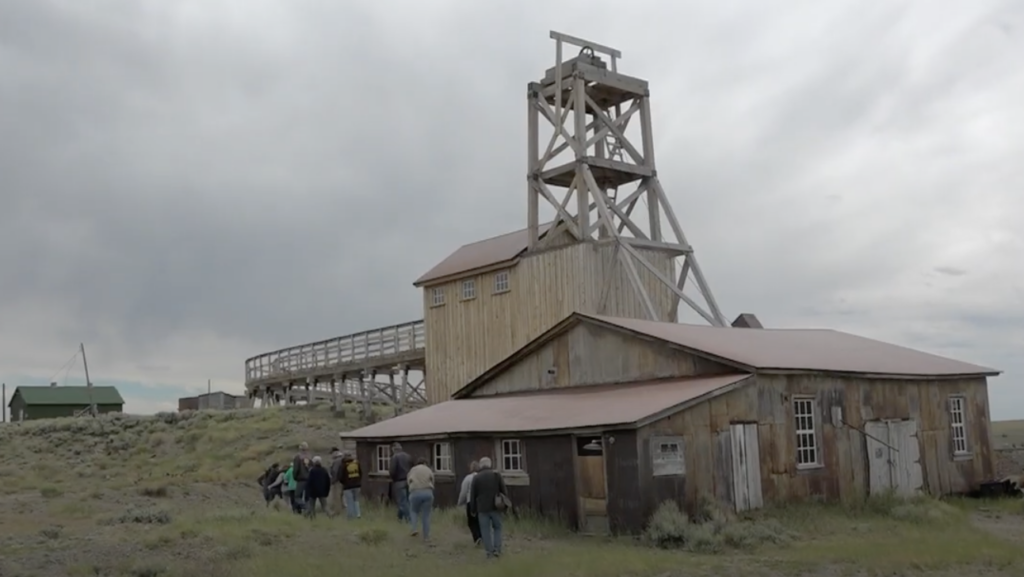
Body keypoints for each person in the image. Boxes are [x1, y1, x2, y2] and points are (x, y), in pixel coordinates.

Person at [470, 456, 509, 559]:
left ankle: (489, 552)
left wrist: (473, 509)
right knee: (497, 528)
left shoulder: (476, 477)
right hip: (496, 506)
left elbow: (473, 495)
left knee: (485, 530)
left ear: (481, 465)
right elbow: (504, 491)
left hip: (482, 508)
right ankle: (497, 549)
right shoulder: (496, 475)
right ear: (490, 464)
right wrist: (505, 505)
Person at [406, 457, 435, 540]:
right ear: (425, 463)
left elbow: (408, 480)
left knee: (414, 511)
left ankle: (414, 529)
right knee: (426, 515)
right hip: (427, 492)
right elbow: (432, 480)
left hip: (415, 492)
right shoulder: (428, 469)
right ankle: (426, 537)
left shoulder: (413, 470)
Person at [457, 460, 482, 545]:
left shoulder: (468, 478)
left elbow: (463, 492)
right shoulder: (481, 477)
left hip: (470, 502)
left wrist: (460, 502)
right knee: (481, 520)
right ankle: (482, 536)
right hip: (481, 502)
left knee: (471, 522)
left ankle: (477, 537)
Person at [388, 442, 412, 522]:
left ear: (393, 449)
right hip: (408, 480)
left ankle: (409, 519)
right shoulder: (408, 456)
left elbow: (392, 471)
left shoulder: (395, 457)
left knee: (402, 502)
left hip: (399, 481)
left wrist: (393, 478)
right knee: (407, 500)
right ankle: (399, 518)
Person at [339, 451, 363, 519]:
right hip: (357, 485)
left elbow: (341, 476)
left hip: (347, 486)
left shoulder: (344, 465)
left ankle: (351, 516)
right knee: (356, 500)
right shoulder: (357, 463)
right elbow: (361, 473)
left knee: (349, 501)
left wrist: (343, 483)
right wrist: (358, 481)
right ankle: (358, 514)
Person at [292, 442, 312, 507]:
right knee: (307, 497)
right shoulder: (310, 457)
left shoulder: (298, 457)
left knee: (297, 497)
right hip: (309, 480)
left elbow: (296, 469)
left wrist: (295, 477)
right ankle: (309, 511)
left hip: (301, 479)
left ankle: (306, 507)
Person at [329, 447, 346, 513]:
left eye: (332, 453)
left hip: (337, 481)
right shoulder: (343, 459)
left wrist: (332, 481)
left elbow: (334, 471)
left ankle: (337, 511)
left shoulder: (337, 461)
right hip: (344, 481)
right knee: (342, 496)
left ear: (335, 453)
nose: (331, 455)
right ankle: (343, 509)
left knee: (337, 497)